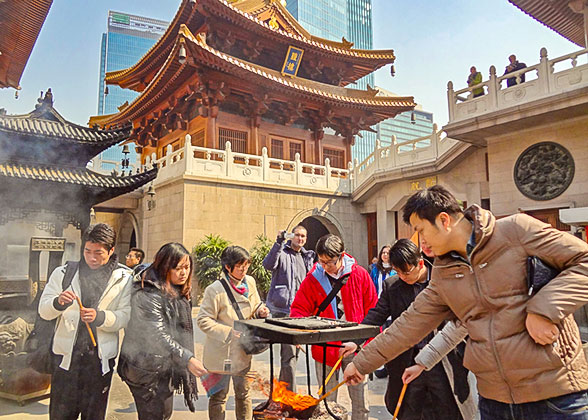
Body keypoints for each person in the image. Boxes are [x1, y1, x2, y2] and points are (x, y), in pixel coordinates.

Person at [344, 185, 588, 420]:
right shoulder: (443, 273)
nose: (420, 241)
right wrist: (363, 363)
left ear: (444, 220)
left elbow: (583, 260)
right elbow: (409, 324)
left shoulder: (516, 231)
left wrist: (543, 310)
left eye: (421, 230)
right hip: (496, 401)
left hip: (555, 395)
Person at [360, 239, 463, 420]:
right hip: (406, 361)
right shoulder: (392, 285)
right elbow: (377, 315)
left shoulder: (443, 280)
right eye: (397, 272)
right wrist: (355, 339)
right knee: (408, 412)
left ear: (420, 263)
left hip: (442, 361)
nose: (402, 277)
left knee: (447, 410)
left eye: (406, 271)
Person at [38, 223, 132, 420]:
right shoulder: (64, 273)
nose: (92, 258)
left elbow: (124, 316)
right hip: (66, 361)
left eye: (98, 253)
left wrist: (100, 317)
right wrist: (58, 303)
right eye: (87, 251)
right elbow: (44, 311)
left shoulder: (124, 278)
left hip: (99, 363)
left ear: (111, 250)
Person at [290, 234, 377, 420]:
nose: (325, 266)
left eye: (329, 262)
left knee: (360, 402)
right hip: (325, 348)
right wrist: (298, 333)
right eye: (321, 261)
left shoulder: (359, 274)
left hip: (355, 348)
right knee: (326, 405)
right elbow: (298, 308)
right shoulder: (314, 278)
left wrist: (365, 342)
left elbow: (373, 310)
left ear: (342, 255)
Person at [118, 242, 206, 420]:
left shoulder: (177, 291)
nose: (183, 273)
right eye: (177, 268)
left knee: (163, 414)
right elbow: (156, 335)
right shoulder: (148, 293)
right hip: (146, 370)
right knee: (156, 415)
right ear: (165, 266)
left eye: (187, 267)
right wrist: (187, 358)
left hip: (164, 366)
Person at [197, 245, 270, 420]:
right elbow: (203, 320)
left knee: (243, 394)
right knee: (219, 398)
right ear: (228, 267)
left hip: (243, 352)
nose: (244, 269)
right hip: (220, 354)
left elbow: (256, 304)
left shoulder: (250, 282)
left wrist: (262, 310)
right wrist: (228, 332)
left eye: (246, 265)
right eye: (239, 266)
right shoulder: (215, 290)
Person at [263, 225, 315, 391]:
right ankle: (289, 395)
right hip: (282, 311)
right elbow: (268, 265)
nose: (300, 239)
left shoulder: (307, 257)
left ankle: (281, 390)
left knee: (292, 354)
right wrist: (279, 242)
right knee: (290, 354)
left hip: (300, 313)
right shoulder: (282, 252)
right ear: (292, 236)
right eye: (298, 235)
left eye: (303, 236)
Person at [368, 244, 395, 378]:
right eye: (383, 252)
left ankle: (390, 366)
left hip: (391, 308)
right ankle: (382, 366)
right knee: (379, 339)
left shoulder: (395, 270)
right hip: (378, 306)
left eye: (388, 253)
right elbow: (372, 286)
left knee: (390, 339)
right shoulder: (375, 270)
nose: (385, 255)